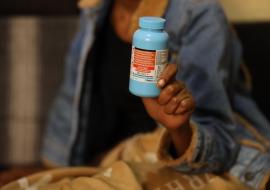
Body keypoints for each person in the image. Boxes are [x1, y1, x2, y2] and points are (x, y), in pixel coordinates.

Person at [40, 0, 270, 189]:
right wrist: (48, 172)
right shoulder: (95, 11)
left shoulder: (198, 12)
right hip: (106, 163)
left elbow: (218, 142)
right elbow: (70, 107)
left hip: (170, 163)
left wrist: (179, 129)